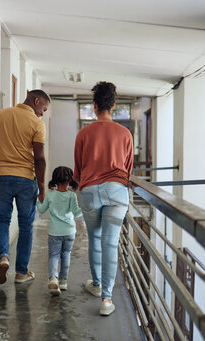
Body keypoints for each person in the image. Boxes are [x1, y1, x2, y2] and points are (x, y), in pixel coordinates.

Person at [73, 81, 133, 316]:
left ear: (94, 105)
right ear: (114, 106)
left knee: (94, 238)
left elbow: (77, 169)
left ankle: (96, 285)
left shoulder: (84, 133)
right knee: (110, 244)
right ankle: (107, 300)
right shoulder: (125, 133)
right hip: (117, 192)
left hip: (89, 192)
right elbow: (128, 170)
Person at [0, 89, 50, 284]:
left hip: (2, 176)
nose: (42, 113)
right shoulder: (36, 123)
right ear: (36, 100)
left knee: (2, 221)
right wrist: (41, 185)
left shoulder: (0, 116)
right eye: (43, 108)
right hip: (26, 179)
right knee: (25, 226)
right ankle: (21, 272)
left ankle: (3, 258)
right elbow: (39, 158)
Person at [37, 166, 83, 296]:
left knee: (54, 255)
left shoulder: (50, 195)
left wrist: (36, 200)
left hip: (54, 232)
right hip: (69, 232)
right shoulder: (72, 196)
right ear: (70, 181)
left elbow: (41, 210)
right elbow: (77, 213)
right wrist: (85, 207)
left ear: (54, 180)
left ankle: (53, 278)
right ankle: (63, 282)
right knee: (66, 254)